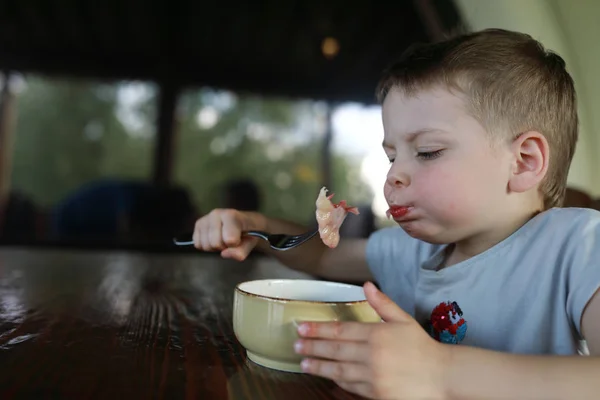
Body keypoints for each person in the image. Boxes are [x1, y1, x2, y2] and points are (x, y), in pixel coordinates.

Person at [192, 29, 600, 399]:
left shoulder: (578, 246)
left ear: (524, 162)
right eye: (392, 156)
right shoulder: (414, 249)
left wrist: (441, 371)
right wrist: (258, 228)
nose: (394, 175)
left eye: (427, 152)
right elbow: (321, 256)